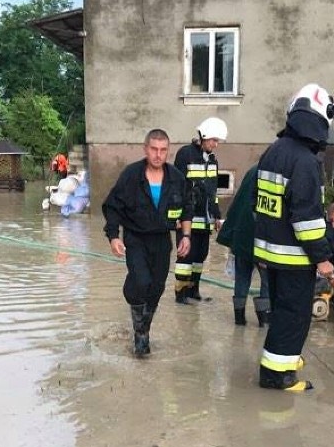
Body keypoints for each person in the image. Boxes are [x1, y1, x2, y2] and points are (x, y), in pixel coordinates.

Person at [254, 83, 334, 392]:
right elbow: (307, 221)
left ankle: (284, 358)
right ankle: (278, 375)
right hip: (293, 257)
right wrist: (323, 259)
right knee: (293, 315)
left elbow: (262, 205)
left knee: (282, 312)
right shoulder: (305, 162)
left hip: (270, 253)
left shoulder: (273, 152)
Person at [103, 129, 192, 357]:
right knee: (141, 282)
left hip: (162, 239)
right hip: (135, 238)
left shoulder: (176, 178)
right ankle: (140, 333)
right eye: (154, 149)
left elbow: (187, 210)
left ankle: (143, 330)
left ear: (167, 152)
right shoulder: (131, 176)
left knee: (157, 287)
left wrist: (186, 237)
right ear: (145, 149)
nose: (158, 155)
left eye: (163, 150)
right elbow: (112, 206)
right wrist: (113, 236)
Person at [173, 117, 228, 304]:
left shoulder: (213, 160)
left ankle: (193, 290)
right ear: (203, 137)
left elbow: (213, 192)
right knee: (185, 257)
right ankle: (180, 294)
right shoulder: (185, 154)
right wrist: (178, 215)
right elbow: (176, 187)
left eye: (217, 141)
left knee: (200, 256)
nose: (216, 144)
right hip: (187, 218)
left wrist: (218, 216)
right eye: (214, 140)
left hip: (205, 220)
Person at [216, 163, 270, 326]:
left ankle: (239, 318)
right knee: (267, 280)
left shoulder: (250, 172)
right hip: (261, 240)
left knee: (242, 278)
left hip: (241, 237)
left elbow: (236, 206)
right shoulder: (271, 175)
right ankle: (264, 319)